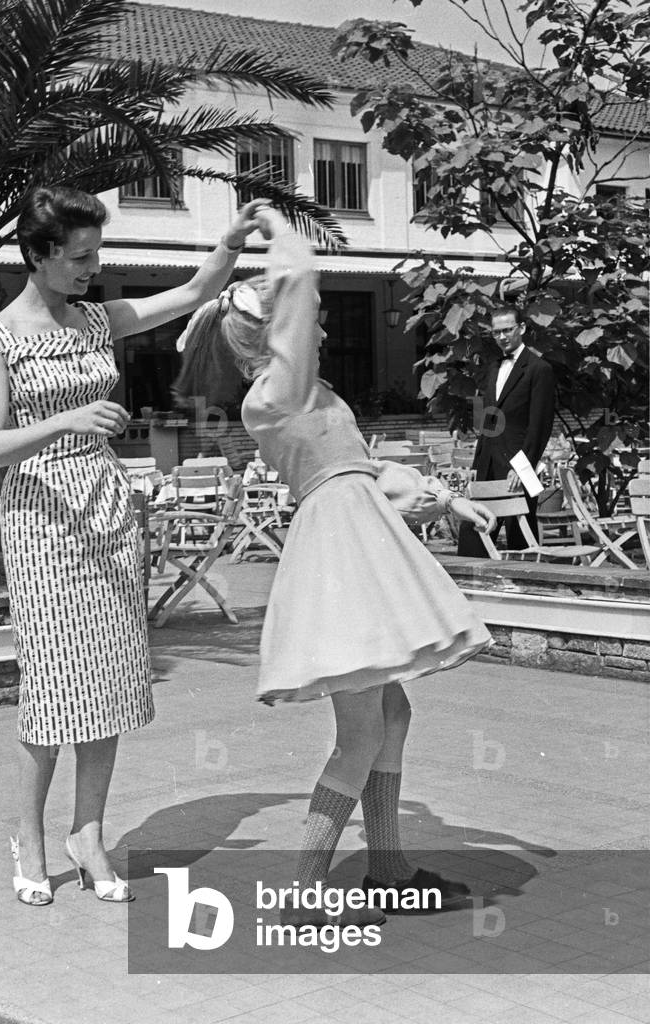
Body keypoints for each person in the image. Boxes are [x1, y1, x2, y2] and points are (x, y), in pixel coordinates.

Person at [173, 207, 497, 926]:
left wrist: (447, 500)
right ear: (272, 334)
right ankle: (304, 892)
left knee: (392, 709)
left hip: (360, 539)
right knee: (361, 733)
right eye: (305, 322)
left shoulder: (309, 393)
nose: (318, 328)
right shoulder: (273, 395)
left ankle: (387, 868)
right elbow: (302, 301)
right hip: (341, 557)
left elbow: (369, 469)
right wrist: (278, 237)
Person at [0, 186, 271, 906]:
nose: (91, 268)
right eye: (79, 257)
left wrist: (230, 243)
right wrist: (70, 418)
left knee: (107, 679)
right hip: (41, 517)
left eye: (96, 254)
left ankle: (89, 834)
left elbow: (198, 290)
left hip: (107, 507)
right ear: (40, 255)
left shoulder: (99, 319)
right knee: (51, 687)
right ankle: (29, 835)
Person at [456, 304, 556, 557]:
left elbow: (540, 426)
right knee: (473, 537)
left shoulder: (539, 369)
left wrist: (521, 466)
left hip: (517, 467)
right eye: (496, 332)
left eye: (507, 330)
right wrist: (477, 464)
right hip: (488, 462)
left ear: (521, 328)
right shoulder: (493, 367)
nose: (502, 337)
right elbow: (488, 421)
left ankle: (526, 592)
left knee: (520, 540)